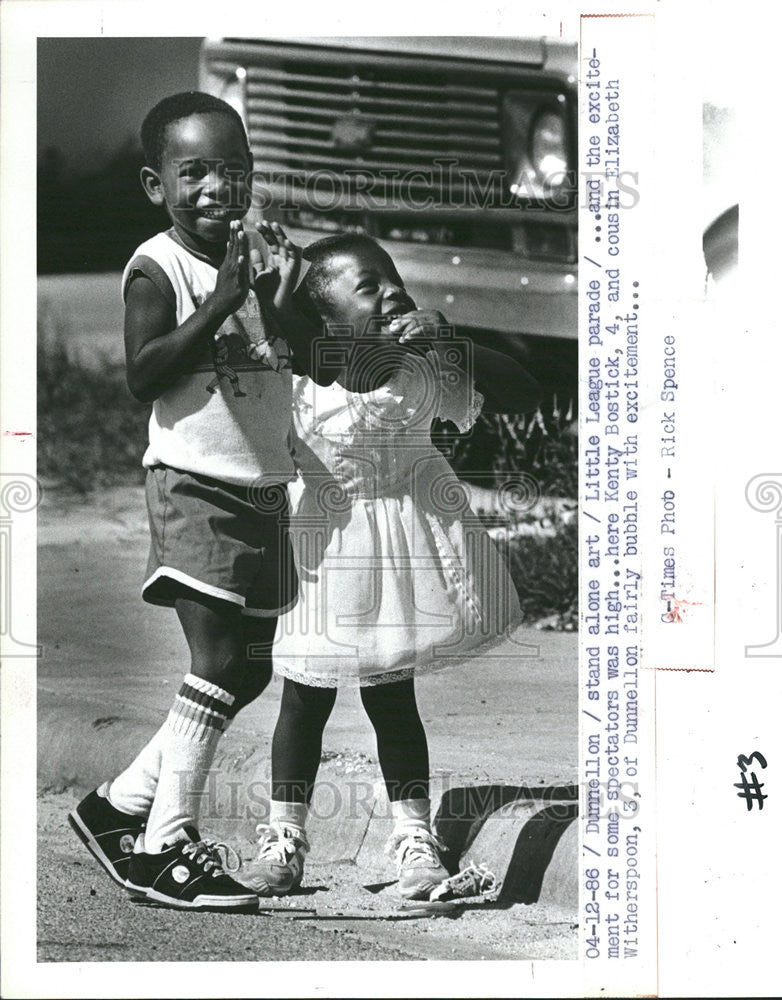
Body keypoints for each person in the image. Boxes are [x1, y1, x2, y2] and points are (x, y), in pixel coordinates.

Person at [240, 233, 542, 900]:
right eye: (366, 287)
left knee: (391, 697)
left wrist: (451, 341)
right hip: (320, 546)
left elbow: (523, 394)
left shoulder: (421, 370)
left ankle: (413, 839)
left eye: (392, 279)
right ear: (322, 319)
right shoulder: (295, 379)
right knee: (304, 695)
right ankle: (284, 838)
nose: (390, 293)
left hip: (406, 551)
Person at [68, 92, 307, 911]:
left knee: (247, 670)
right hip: (194, 488)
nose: (215, 188)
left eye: (231, 170)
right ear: (154, 183)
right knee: (212, 663)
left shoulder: (258, 256)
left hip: (263, 489)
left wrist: (275, 292)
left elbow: (286, 352)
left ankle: (117, 805)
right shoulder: (157, 265)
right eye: (192, 172)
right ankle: (164, 846)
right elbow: (143, 373)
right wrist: (219, 299)